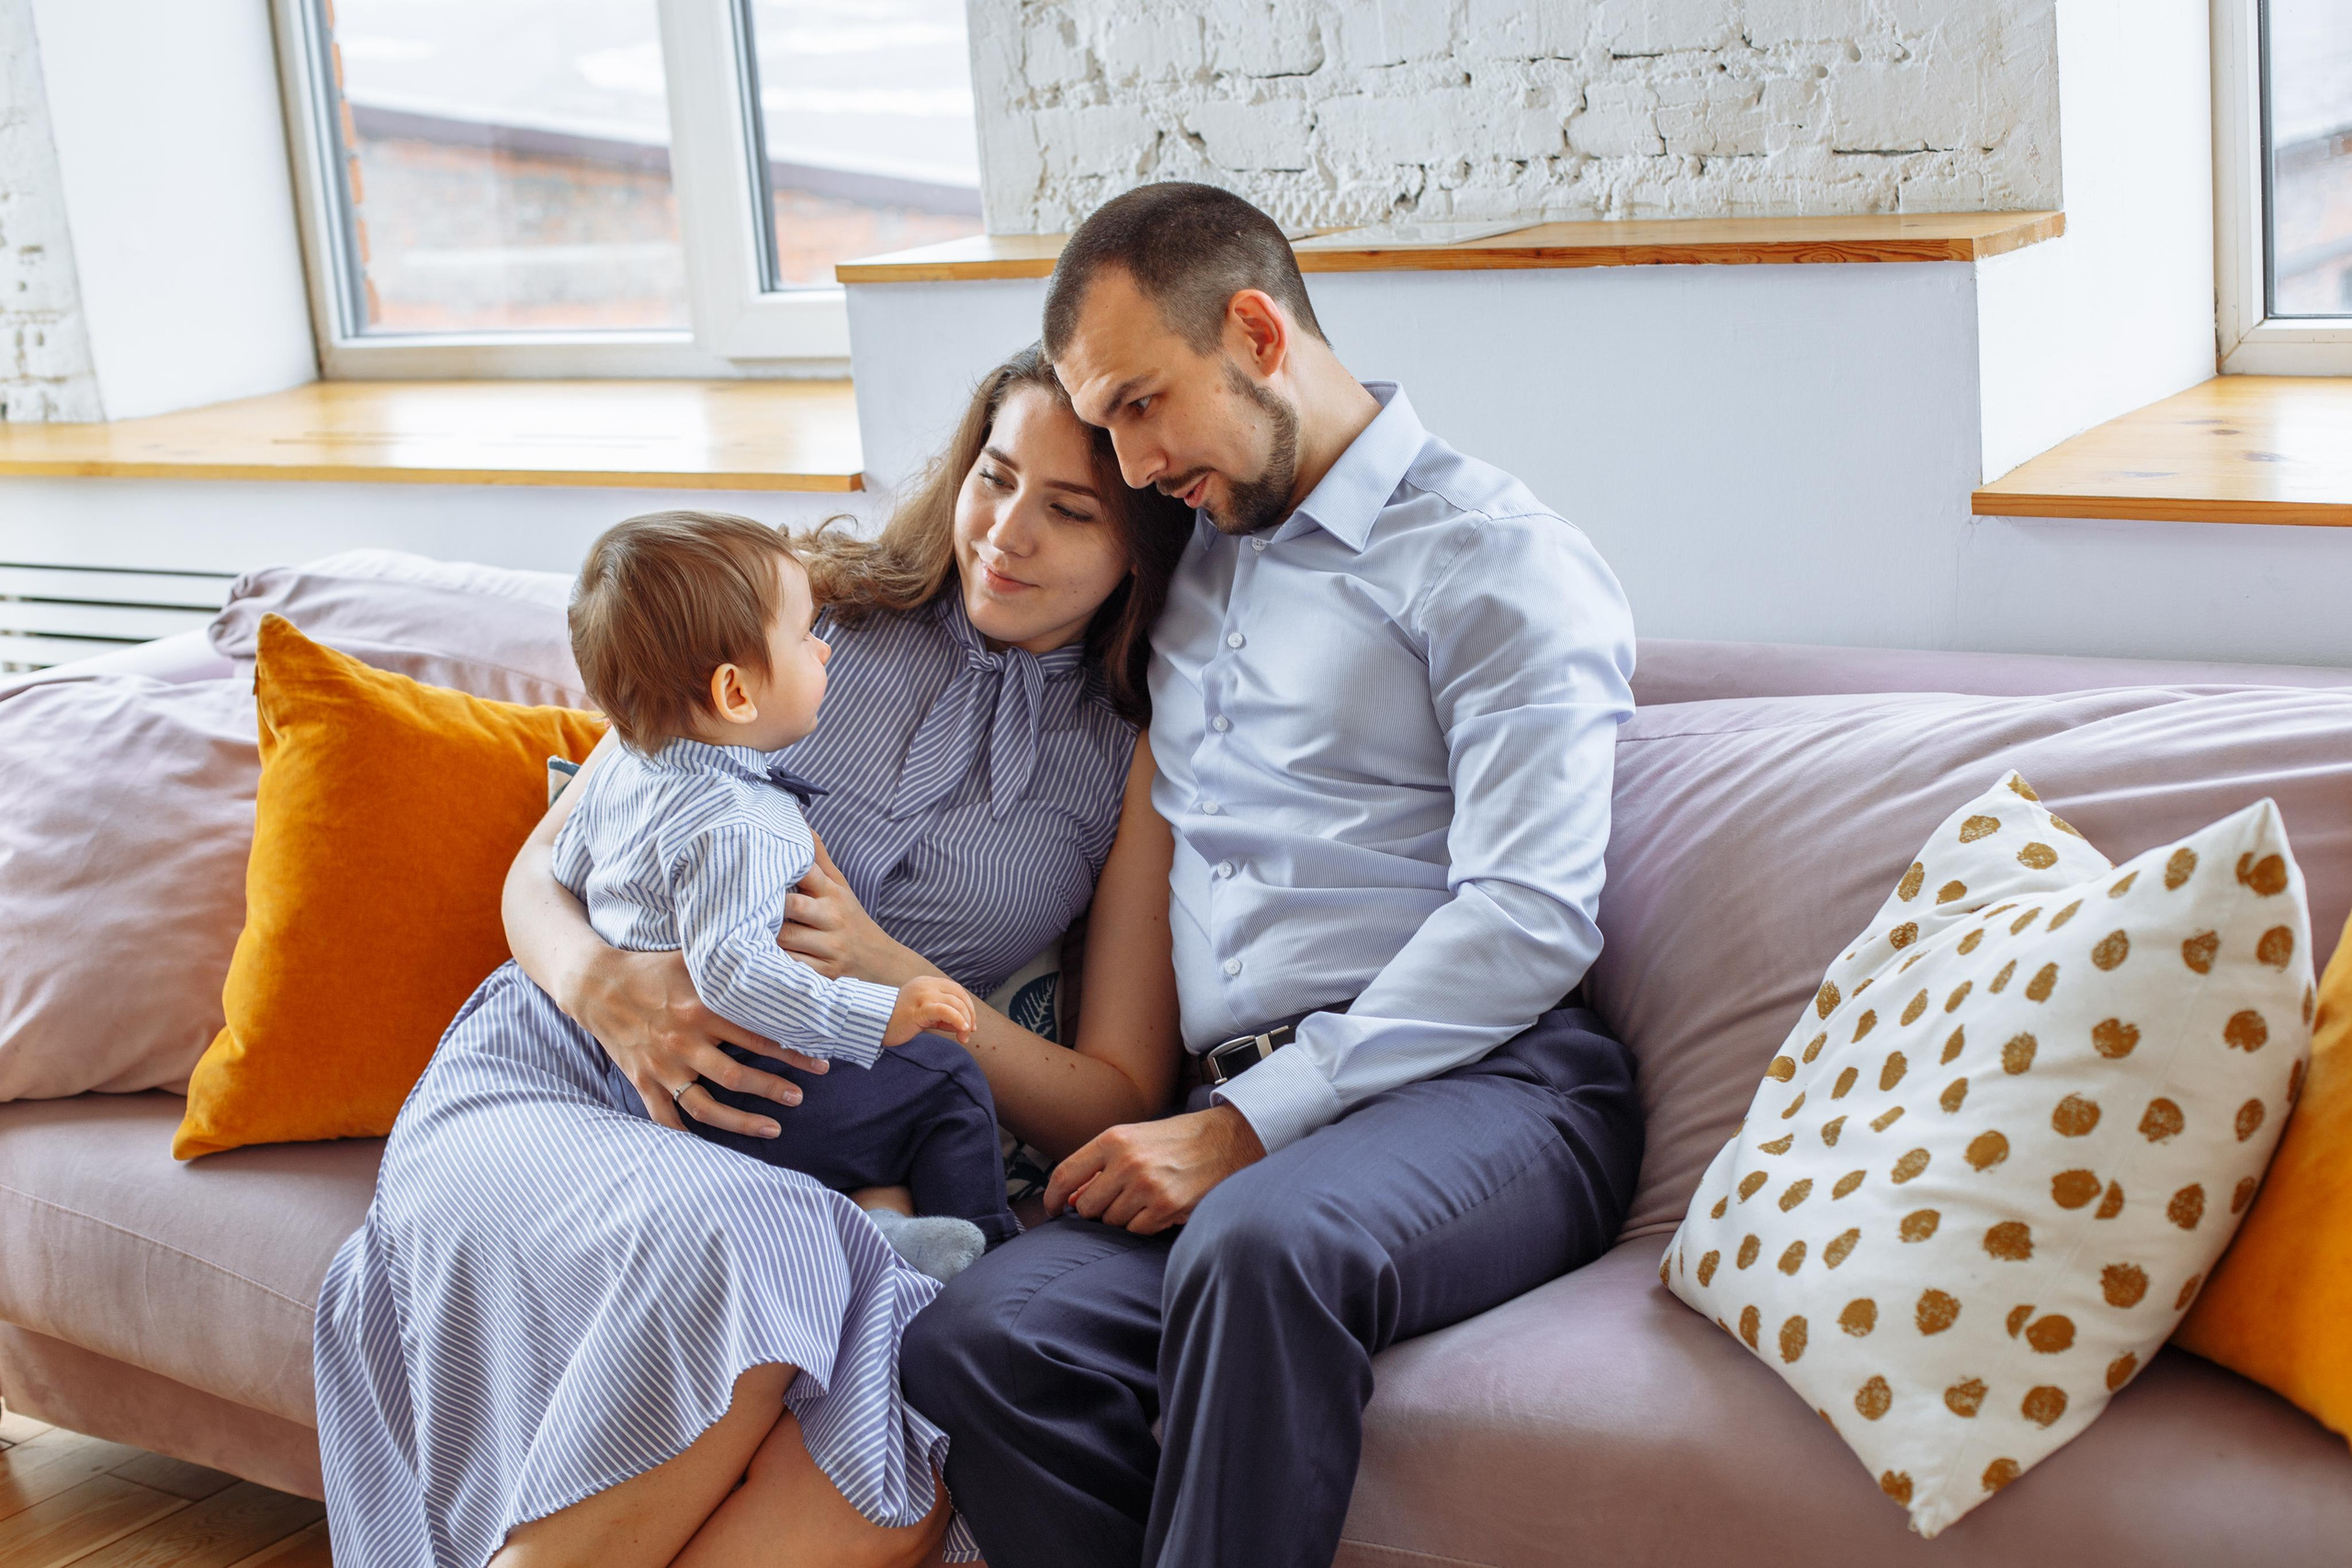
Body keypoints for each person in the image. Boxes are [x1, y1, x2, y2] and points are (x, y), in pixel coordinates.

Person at [311, 344, 1191, 1568]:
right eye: (994, 476)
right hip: (562, 1064)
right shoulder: (800, 607)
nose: (1006, 531)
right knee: (769, 1251)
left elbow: (1121, 1094)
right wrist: (601, 987)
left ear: (1142, 547)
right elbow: (543, 865)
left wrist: (893, 975)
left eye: (1070, 509)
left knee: (899, 1430)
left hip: (819, 1131)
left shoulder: (1132, 753)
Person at [901, 181, 1648, 1568]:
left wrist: (1249, 1122)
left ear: (1255, 329)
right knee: (977, 1335)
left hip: (1492, 1084)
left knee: (1257, 1246)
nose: (1126, 465)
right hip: (1235, 1112)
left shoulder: (1494, 559)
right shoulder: (1190, 552)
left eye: (1139, 404)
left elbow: (1531, 915)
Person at [552, 510, 1003, 1275]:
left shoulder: (625, 770)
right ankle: (994, 1268)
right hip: (740, 1087)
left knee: (870, 1109)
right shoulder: (740, 823)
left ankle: (864, 1234)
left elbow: (567, 867)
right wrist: (881, 1015)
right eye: (803, 638)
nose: (824, 648)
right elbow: (737, 973)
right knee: (946, 1082)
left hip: (635, 1078)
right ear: (734, 692)